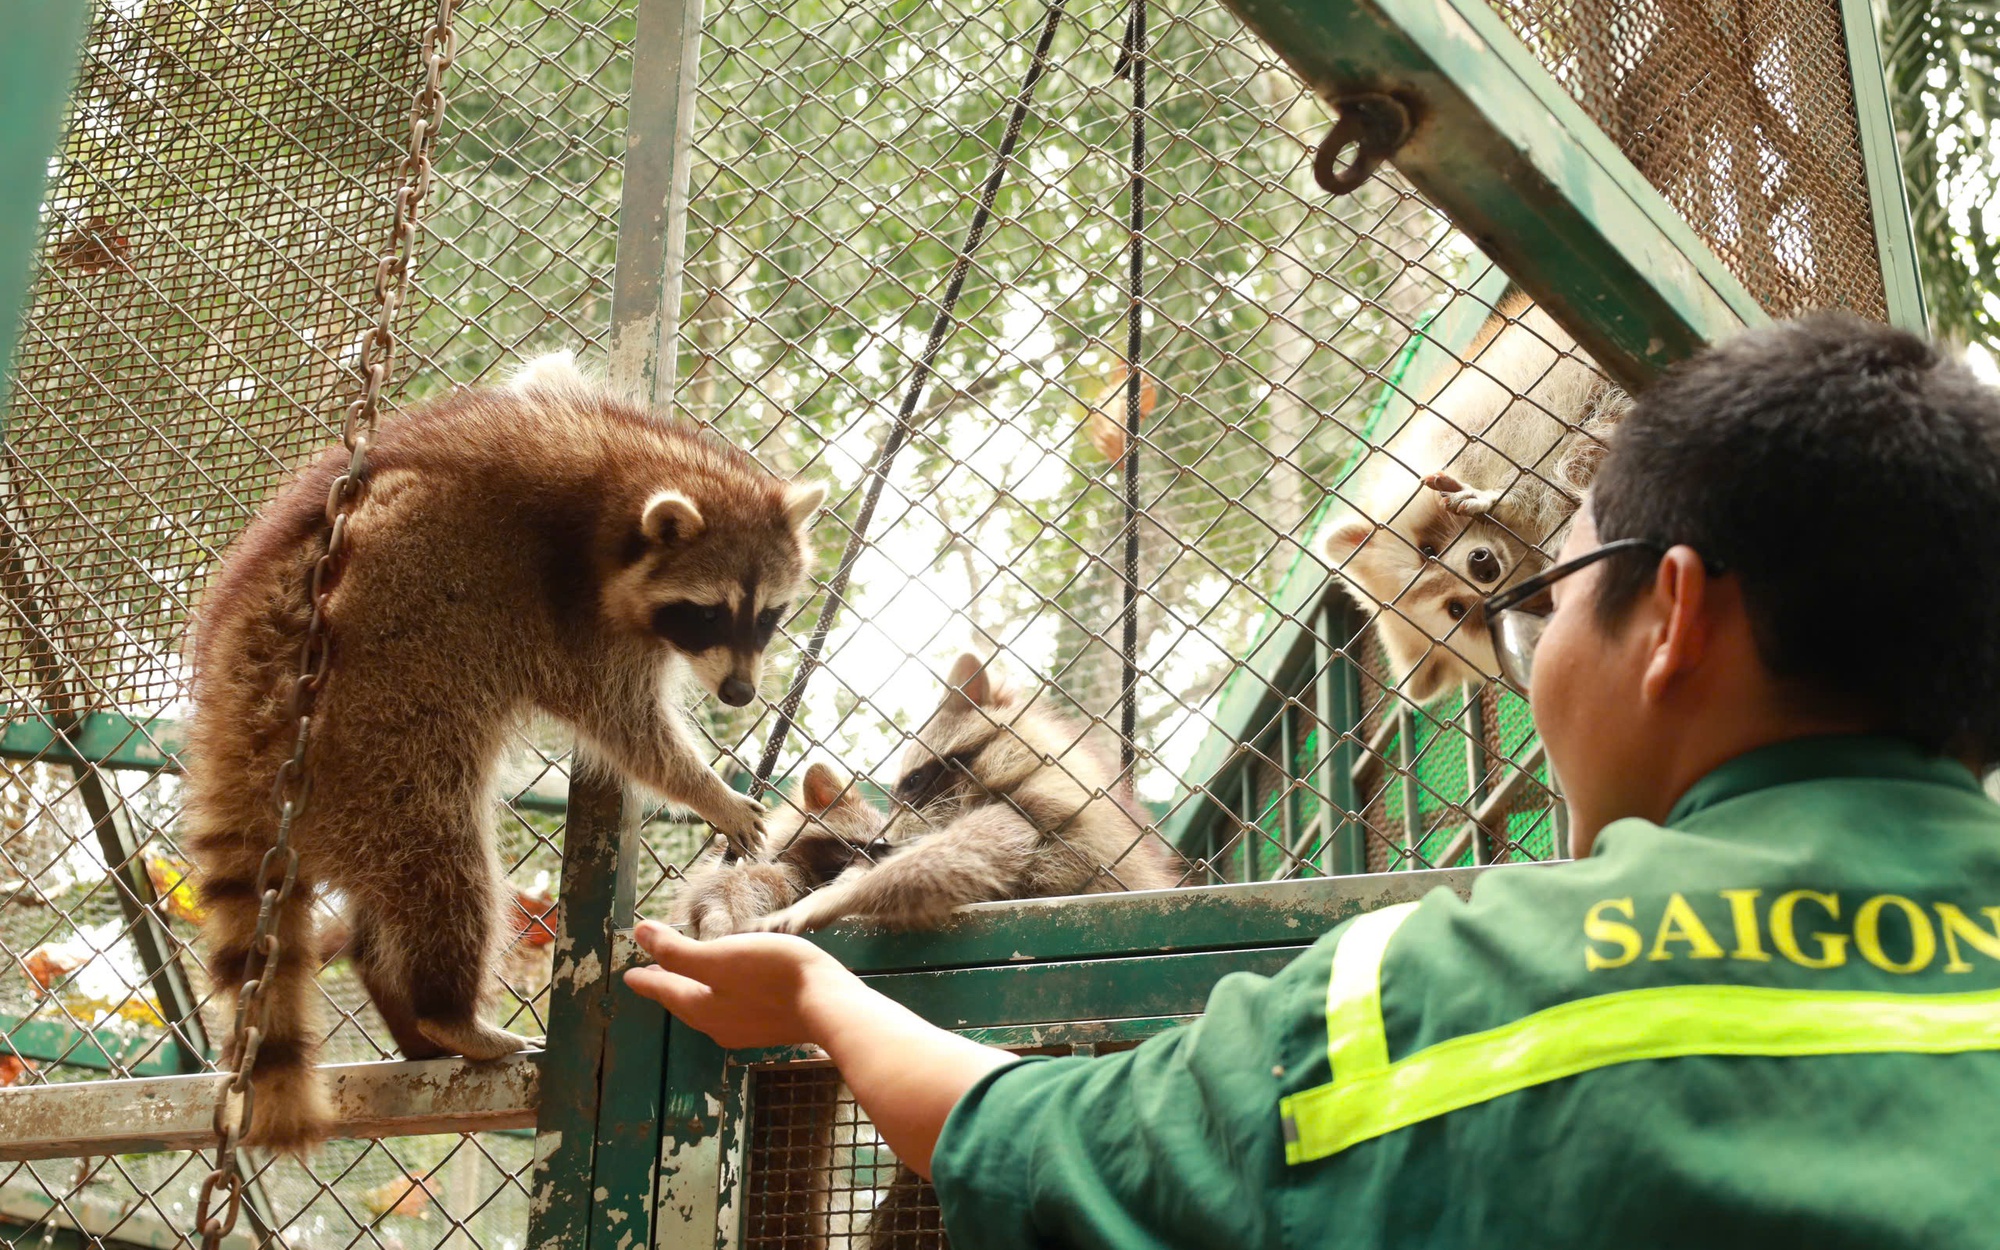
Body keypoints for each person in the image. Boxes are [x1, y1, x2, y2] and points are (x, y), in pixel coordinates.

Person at [626, 312, 2000, 1248]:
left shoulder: (1454, 983)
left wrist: (815, 988)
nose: (1519, 653)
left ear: (1676, 617)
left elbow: (1050, 1135)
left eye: (1549, 594)